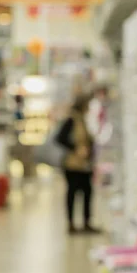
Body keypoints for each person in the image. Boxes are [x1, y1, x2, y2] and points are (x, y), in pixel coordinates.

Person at [56, 93, 101, 234]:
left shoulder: (83, 119)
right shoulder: (71, 119)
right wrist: (76, 148)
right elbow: (60, 138)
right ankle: (71, 224)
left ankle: (86, 222)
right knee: (73, 193)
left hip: (84, 165)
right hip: (73, 165)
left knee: (87, 192)